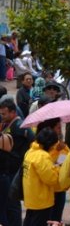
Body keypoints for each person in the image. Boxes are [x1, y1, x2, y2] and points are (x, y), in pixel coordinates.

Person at [0, 95, 32, 226]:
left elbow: (32, 140)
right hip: (10, 169)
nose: (2, 116)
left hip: (15, 169)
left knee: (12, 204)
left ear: (13, 112)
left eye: (4, 114)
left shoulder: (20, 126)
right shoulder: (9, 125)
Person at [22, 127, 60, 226]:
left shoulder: (30, 152)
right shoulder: (42, 156)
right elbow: (52, 179)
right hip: (42, 201)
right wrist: (57, 168)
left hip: (31, 198)